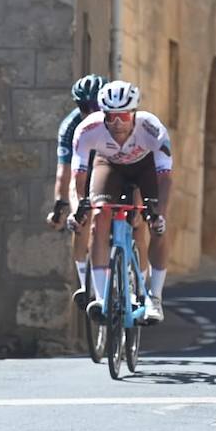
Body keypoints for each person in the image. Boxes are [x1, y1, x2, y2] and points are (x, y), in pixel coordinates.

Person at [71, 80, 172, 324]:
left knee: (156, 227)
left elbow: (166, 178)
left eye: (124, 116)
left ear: (134, 114)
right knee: (98, 217)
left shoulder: (152, 129)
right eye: (111, 117)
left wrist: (160, 214)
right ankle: (102, 298)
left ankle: (155, 297)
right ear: (102, 114)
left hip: (145, 168)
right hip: (109, 166)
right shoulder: (87, 130)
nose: (117, 123)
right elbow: (79, 178)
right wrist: (78, 208)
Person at [46, 74, 105, 307]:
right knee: (81, 218)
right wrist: (61, 208)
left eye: (96, 106)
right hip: (84, 169)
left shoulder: (117, 120)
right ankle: (85, 283)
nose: (90, 112)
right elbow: (65, 173)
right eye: (84, 107)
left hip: (111, 165)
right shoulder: (71, 127)